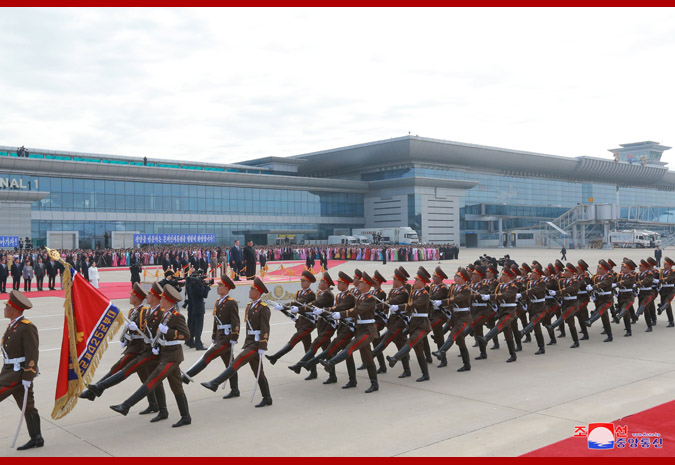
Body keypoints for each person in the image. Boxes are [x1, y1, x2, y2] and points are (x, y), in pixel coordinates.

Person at [110, 284, 192, 427]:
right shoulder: (164, 314)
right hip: (164, 353)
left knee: (153, 379)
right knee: (176, 387)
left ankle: (127, 405)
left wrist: (169, 332)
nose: (160, 300)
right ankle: (180, 415)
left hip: (173, 356)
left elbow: (186, 335)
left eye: (163, 298)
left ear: (168, 301)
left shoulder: (176, 316)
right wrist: (155, 345)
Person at [79, 283, 165, 419]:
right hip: (133, 347)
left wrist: (137, 331)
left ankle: (96, 389)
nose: (129, 297)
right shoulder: (133, 311)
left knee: (120, 368)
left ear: (137, 297)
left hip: (140, 349)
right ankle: (153, 404)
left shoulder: (144, 311)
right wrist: (125, 337)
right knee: (145, 377)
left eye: (132, 295)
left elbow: (147, 331)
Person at [201, 277, 273, 408]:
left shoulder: (263, 308)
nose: (250, 291)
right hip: (250, 342)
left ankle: (215, 383)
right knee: (258, 371)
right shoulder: (250, 306)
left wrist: (263, 345)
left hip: (256, 344)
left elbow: (265, 328)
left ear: (258, 292)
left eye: (252, 289)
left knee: (238, 361)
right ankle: (267, 397)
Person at [320, 271, 380, 394]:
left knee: (350, 347)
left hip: (368, 331)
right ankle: (368, 382)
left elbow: (357, 310)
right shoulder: (360, 298)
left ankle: (331, 363)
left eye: (362, 283)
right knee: (368, 358)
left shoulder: (370, 299)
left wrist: (341, 314)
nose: (359, 284)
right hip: (360, 329)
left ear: (367, 286)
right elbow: (354, 311)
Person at [181, 274, 240, 399]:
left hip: (227, 338)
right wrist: (214, 336)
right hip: (220, 337)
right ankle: (235, 390)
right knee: (230, 364)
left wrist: (234, 338)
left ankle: (187, 376)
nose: (218, 287)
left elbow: (236, 322)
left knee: (209, 355)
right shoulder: (218, 302)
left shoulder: (231, 303)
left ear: (227, 288)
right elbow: (216, 321)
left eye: (221, 286)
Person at [1, 290, 43, 450]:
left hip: (17, 374)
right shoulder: (14, 325)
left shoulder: (27, 327)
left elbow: (32, 353)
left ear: (14, 309)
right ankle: (37, 438)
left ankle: (36, 437)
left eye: (6, 306)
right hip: (9, 371)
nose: (4, 308)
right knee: (28, 405)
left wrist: (28, 376)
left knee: (27, 404)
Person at [266, 270, 317, 365]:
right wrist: (293, 316)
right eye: (301, 280)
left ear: (309, 282)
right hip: (301, 322)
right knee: (307, 346)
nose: (302, 282)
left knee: (294, 340)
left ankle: (276, 357)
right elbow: (295, 308)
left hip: (309, 323)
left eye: (304, 281)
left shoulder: (311, 294)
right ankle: (313, 370)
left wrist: (283, 306)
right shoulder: (299, 292)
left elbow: (297, 303)